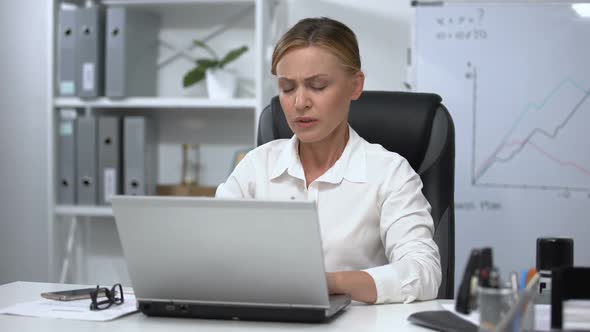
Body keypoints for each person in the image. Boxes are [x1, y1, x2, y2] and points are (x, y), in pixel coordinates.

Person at [216, 17, 441, 304]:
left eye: (318, 86)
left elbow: (424, 273)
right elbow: (213, 252)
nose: (300, 103)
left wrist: (327, 283)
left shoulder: (390, 173)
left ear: (355, 86)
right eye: (287, 88)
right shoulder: (256, 166)